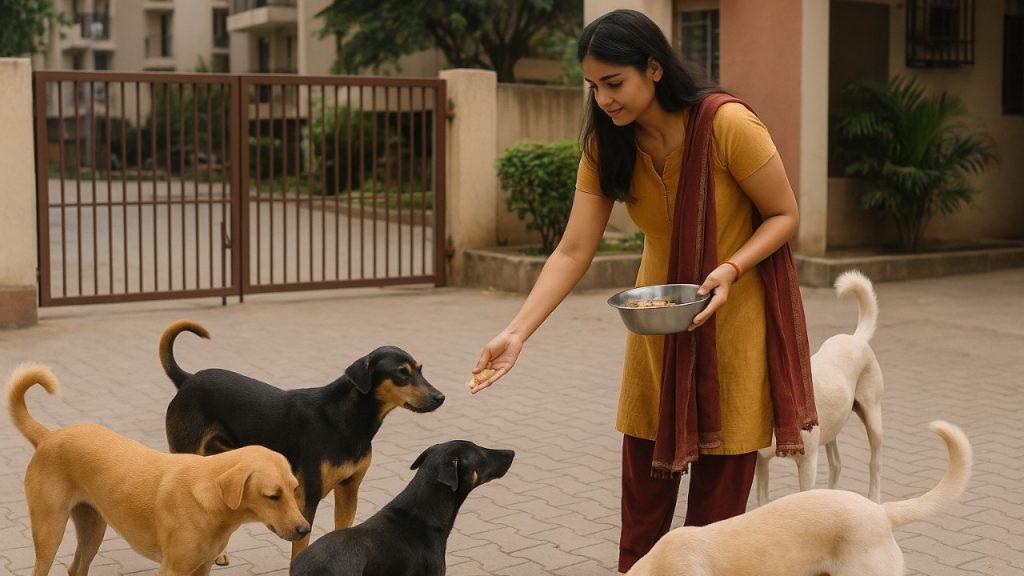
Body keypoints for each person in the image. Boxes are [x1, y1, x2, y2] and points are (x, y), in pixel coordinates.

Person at [469, 9, 815, 574]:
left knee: (715, 528)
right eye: (593, 87)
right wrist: (516, 332)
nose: (604, 100)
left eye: (614, 83)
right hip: (658, 335)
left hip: (734, 327)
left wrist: (730, 268)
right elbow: (573, 250)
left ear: (653, 68)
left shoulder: (727, 125)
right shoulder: (610, 144)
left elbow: (784, 214)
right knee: (642, 520)